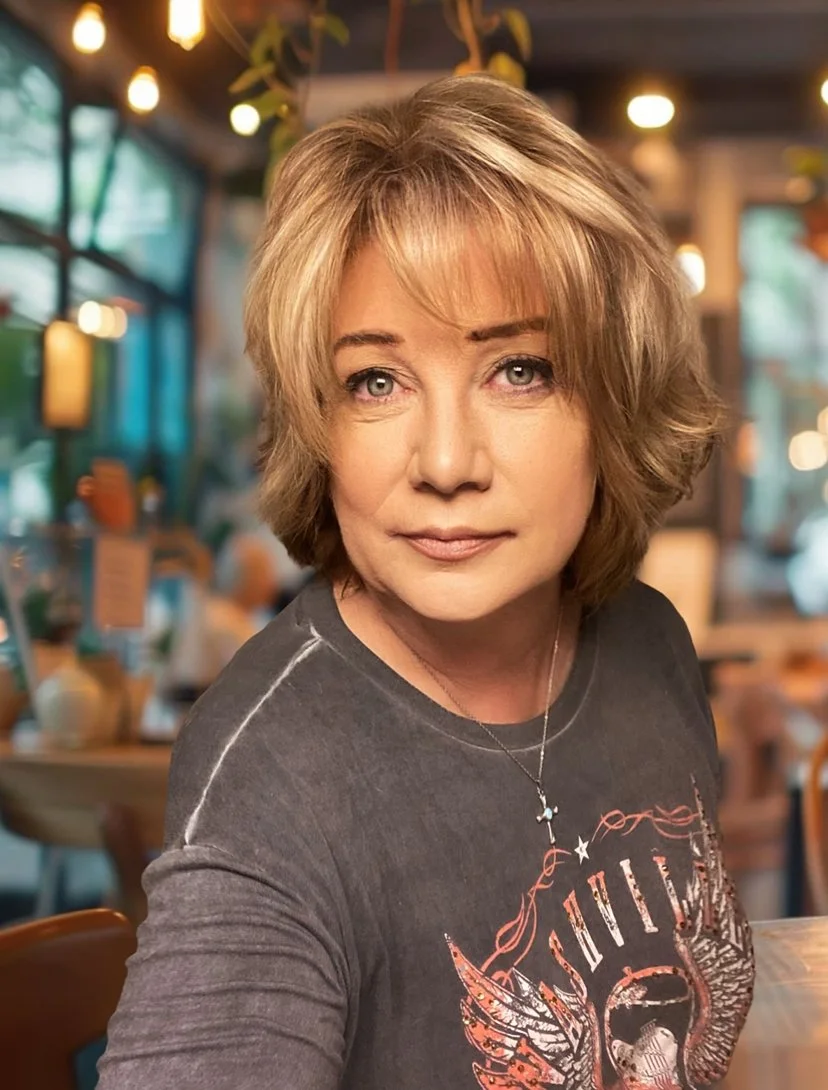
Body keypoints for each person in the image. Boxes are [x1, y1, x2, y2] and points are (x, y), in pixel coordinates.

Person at [98, 75, 755, 1090]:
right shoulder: (275, 783)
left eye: (519, 368)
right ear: (320, 422)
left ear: (615, 397)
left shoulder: (651, 645)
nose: (446, 462)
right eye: (376, 380)